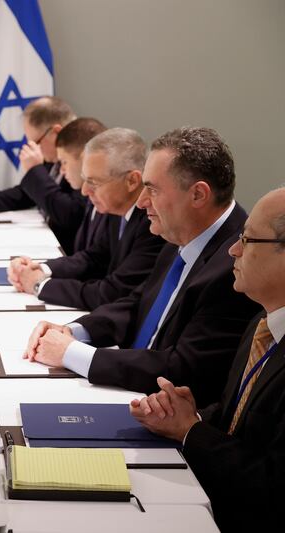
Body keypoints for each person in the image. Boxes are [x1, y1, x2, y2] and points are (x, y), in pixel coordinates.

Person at [24, 127, 261, 406]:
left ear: (198, 195)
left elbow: (182, 370)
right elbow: (139, 303)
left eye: (152, 189)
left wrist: (72, 354)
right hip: (134, 394)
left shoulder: (235, 263)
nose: (141, 201)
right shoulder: (181, 230)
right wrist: (75, 331)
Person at [130, 188, 285, 532]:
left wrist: (192, 430)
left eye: (248, 239)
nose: (233, 249)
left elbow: (272, 484)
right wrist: (187, 414)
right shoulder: (262, 323)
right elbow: (241, 422)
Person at [8, 128, 165, 310]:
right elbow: (94, 258)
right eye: (85, 180)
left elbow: (112, 293)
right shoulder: (117, 208)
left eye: (94, 182)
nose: (84, 191)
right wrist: (41, 269)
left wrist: (39, 285)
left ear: (132, 181)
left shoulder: (153, 224)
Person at [0, 96, 85, 254]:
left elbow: (69, 214)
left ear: (56, 132)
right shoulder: (52, 156)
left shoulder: (82, 160)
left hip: (66, 252)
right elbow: (27, 193)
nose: (33, 147)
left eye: (36, 141)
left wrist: (36, 170)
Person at [54, 117, 108, 253]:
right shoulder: (90, 199)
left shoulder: (110, 204)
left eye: (64, 162)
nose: (61, 170)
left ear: (85, 157)